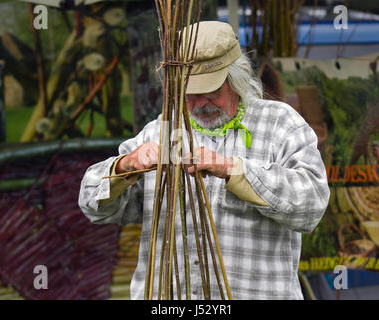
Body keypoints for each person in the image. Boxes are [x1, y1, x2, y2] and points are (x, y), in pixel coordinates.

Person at [78, 21, 330, 300]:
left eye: (211, 93)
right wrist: (126, 167)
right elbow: (93, 207)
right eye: (190, 95)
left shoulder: (280, 124)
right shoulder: (159, 131)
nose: (200, 104)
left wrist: (230, 169)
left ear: (239, 79)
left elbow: (312, 205)